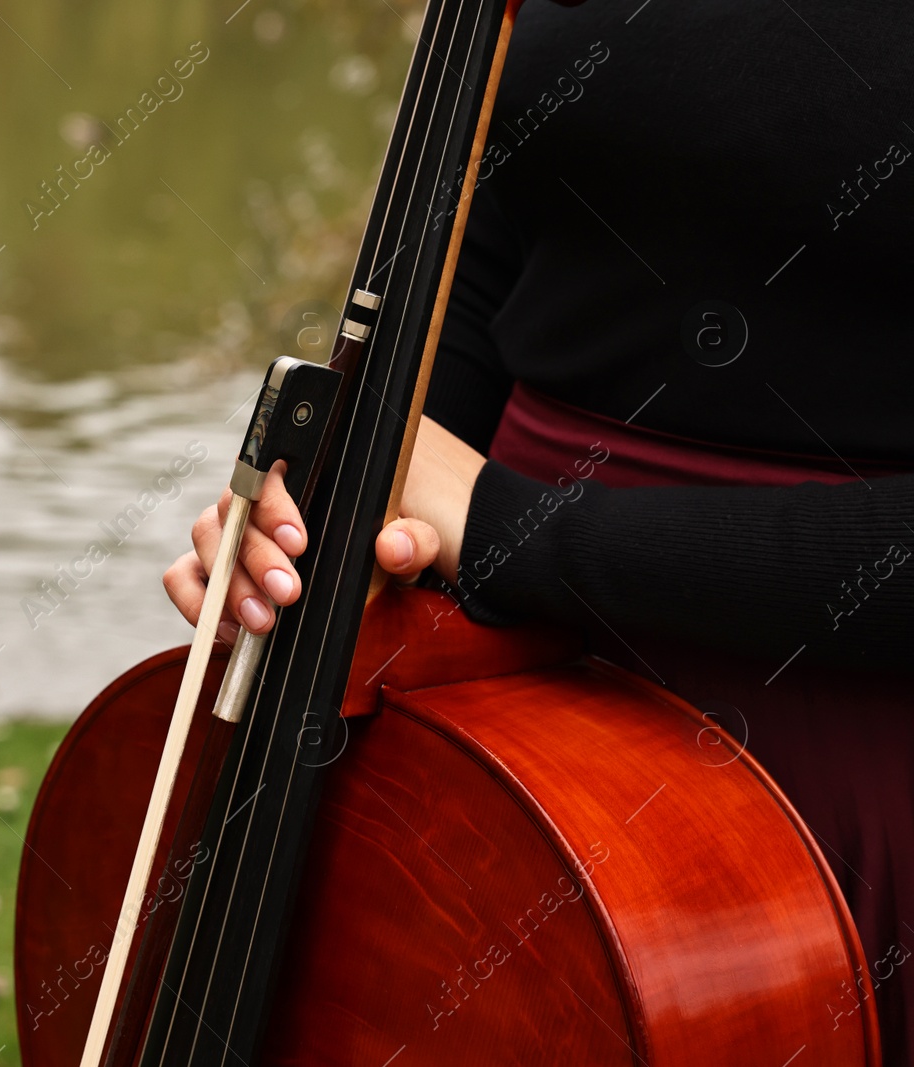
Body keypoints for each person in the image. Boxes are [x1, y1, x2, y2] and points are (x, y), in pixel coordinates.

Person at [164, 1, 914, 1059]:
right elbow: (508, 216)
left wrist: (503, 528)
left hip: (853, 767)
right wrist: (358, 497)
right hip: (500, 693)